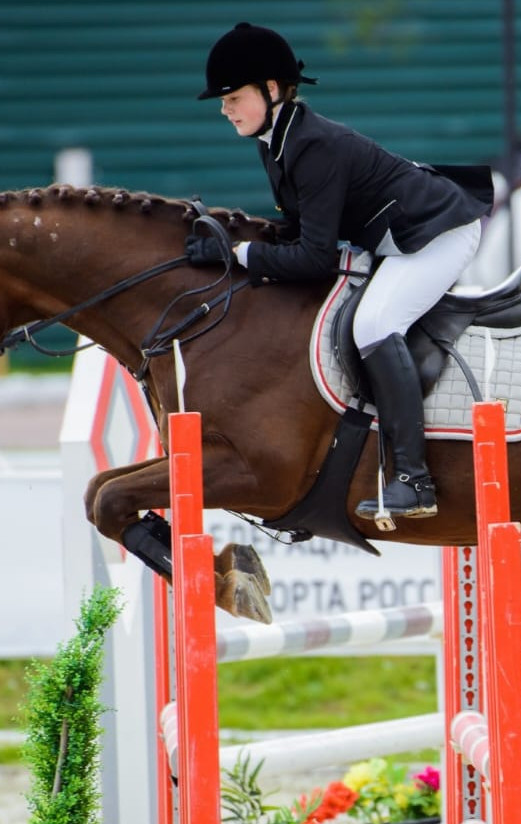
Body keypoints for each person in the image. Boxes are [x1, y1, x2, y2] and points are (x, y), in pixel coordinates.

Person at [188, 22, 492, 522]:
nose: (224, 108)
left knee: (374, 324)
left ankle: (415, 480)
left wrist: (240, 255)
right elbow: (298, 230)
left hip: (439, 234)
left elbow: (314, 258)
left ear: (270, 90)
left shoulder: (312, 146)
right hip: (396, 235)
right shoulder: (276, 141)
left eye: (232, 97)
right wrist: (231, 238)